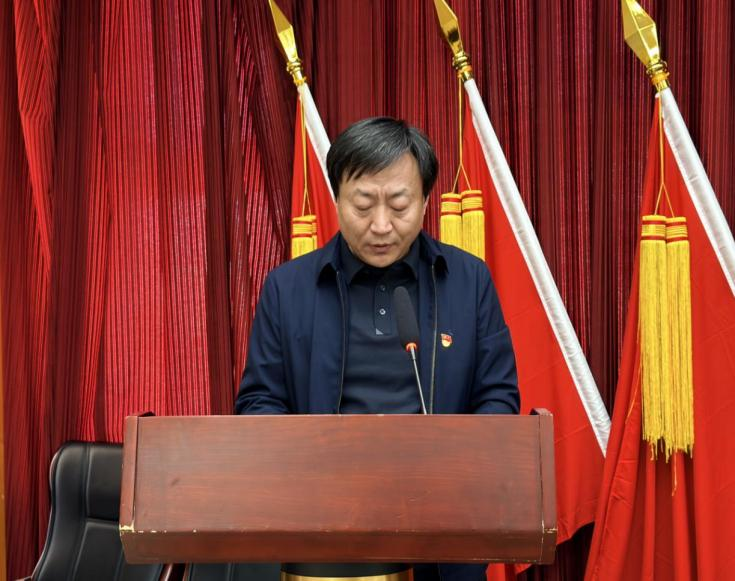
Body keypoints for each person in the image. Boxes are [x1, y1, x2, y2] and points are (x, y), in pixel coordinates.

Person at [235, 117, 520, 581]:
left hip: (443, 534)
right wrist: (312, 463)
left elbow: (498, 399)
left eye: (400, 205)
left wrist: (450, 468)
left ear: (425, 200)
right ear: (337, 199)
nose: (381, 225)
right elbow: (258, 402)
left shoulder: (469, 282)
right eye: (363, 205)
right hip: (323, 537)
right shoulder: (287, 289)